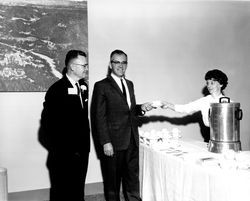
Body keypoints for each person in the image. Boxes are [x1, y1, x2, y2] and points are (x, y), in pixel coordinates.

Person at [91, 49, 153, 201]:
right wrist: (106, 142)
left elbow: (128, 110)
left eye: (124, 62)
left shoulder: (130, 84)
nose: (120, 65)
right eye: (116, 62)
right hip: (113, 142)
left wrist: (141, 108)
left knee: (132, 179)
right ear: (110, 64)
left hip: (131, 139)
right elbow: (98, 117)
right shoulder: (101, 86)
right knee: (112, 183)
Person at [39, 50, 90, 201]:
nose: (86, 68)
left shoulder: (83, 87)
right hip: (63, 157)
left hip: (81, 153)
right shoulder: (56, 90)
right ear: (72, 67)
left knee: (78, 192)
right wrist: (62, 152)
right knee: (62, 194)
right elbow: (47, 128)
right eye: (84, 65)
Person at [161, 69, 228, 130]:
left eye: (212, 83)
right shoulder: (204, 101)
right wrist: (168, 105)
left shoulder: (229, 103)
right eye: (207, 83)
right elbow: (185, 108)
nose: (209, 86)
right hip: (210, 138)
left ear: (221, 84)